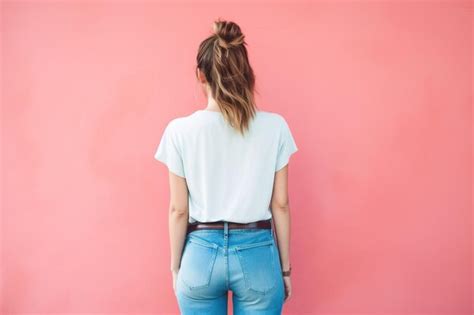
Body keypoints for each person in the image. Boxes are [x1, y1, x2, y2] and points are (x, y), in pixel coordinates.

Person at [154, 18, 298, 314]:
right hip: (257, 252)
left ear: (200, 75)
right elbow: (280, 205)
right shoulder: (275, 127)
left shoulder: (179, 131)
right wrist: (285, 270)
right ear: (246, 74)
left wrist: (175, 269)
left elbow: (178, 210)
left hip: (200, 253)